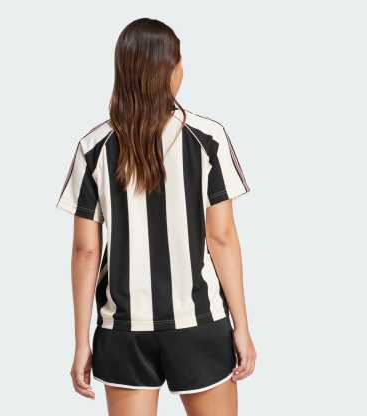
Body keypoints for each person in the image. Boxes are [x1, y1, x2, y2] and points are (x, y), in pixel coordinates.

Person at [56, 17, 256, 416]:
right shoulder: (208, 139)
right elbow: (222, 238)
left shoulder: (94, 148)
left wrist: (81, 343)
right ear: (169, 70)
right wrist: (242, 327)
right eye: (179, 60)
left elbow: (85, 251)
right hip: (198, 323)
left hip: (123, 329)